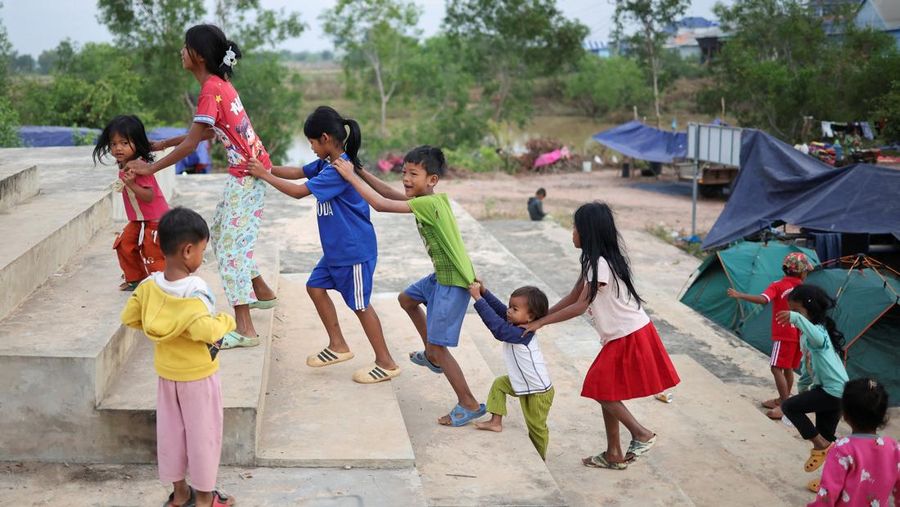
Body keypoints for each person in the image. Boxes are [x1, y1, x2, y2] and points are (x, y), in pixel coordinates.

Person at [126, 24, 276, 349]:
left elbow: (193, 144)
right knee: (221, 235)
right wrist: (161, 144)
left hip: (248, 176)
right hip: (249, 173)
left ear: (198, 55)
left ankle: (246, 329)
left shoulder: (210, 89)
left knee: (231, 251)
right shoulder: (219, 85)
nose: (181, 51)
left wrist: (150, 166)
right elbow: (205, 133)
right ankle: (262, 291)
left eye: (185, 46)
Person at [331, 146, 486, 426]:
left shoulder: (428, 204)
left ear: (432, 180)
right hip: (441, 276)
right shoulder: (430, 200)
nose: (406, 179)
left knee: (441, 348)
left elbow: (380, 204)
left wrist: (351, 177)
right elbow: (390, 195)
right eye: (404, 173)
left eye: (413, 174)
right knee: (407, 300)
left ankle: (469, 402)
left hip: (453, 283)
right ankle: (432, 355)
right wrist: (362, 172)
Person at [521, 202, 680, 470]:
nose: (572, 233)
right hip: (624, 334)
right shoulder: (594, 263)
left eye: (575, 228)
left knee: (599, 386)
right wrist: (540, 316)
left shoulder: (600, 265)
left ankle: (641, 433)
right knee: (608, 389)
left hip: (629, 334)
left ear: (588, 232)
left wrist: (541, 324)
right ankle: (614, 454)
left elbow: (581, 306)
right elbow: (573, 297)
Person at [246, 106, 399, 383]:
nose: (312, 148)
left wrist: (266, 176)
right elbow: (295, 173)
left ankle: (386, 362)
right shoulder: (326, 164)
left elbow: (297, 192)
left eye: (313, 142)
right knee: (315, 287)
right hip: (336, 251)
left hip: (353, 251)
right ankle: (338, 344)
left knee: (361, 305)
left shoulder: (339, 170)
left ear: (326, 138)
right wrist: (264, 167)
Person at [120, 207, 236, 507]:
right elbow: (204, 330)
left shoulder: (149, 286)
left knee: (171, 434)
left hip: (166, 374)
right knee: (203, 437)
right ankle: (205, 499)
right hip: (198, 376)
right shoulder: (196, 290)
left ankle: (180, 493)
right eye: (202, 250)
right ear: (187, 250)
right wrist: (227, 321)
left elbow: (131, 317)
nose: (202, 256)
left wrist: (163, 323)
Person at [468, 281, 554, 460]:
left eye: (514, 309)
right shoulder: (516, 324)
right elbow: (500, 310)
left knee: (536, 427)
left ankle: (540, 457)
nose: (509, 311)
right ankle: (495, 422)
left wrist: (477, 299)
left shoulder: (522, 334)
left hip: (538, 392)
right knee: (500, 384)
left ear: (530, 317)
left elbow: (497, 329)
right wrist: (484, 292)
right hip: (522, 381)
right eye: (510, 307)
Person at [776, 285, 849, 485]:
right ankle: (832, 482)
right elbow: (808, 364)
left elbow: (816, 341)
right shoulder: (806, 336)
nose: (793, 316)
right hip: (832, 392)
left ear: (811, 309)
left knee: (789, 406)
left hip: (833, 391)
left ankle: (820, 445)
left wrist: (796, 319)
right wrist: (803, 386)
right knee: (827, 435)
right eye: (792, 311)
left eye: (797, 311)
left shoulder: (818, 332)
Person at [727, 252, 814, 419]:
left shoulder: (778, 285)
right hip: (800, 334)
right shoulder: (804, 288)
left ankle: (784, 405)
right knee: (787, 367)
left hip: (784, 334)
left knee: (776, 367)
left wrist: (740, 295)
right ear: (803, 272)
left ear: (784, 269)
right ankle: (783, 399)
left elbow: (763, 299)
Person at [93, 115, 169, 291]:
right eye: (113, 144)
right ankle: (136, 278)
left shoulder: (139, 166)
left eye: (124, 143)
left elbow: (149, 196)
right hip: (138, 218)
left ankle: (161, 282)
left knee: (153, 250)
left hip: (155, 218)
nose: (118, 148)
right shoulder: (123, 163)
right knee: (124, 244)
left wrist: (131, 184)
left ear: (136, 143)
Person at [808, 378, 899, 505]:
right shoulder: (895, 449)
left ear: (845, 414)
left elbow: (827, 497)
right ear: (883, 415)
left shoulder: (842, 449)